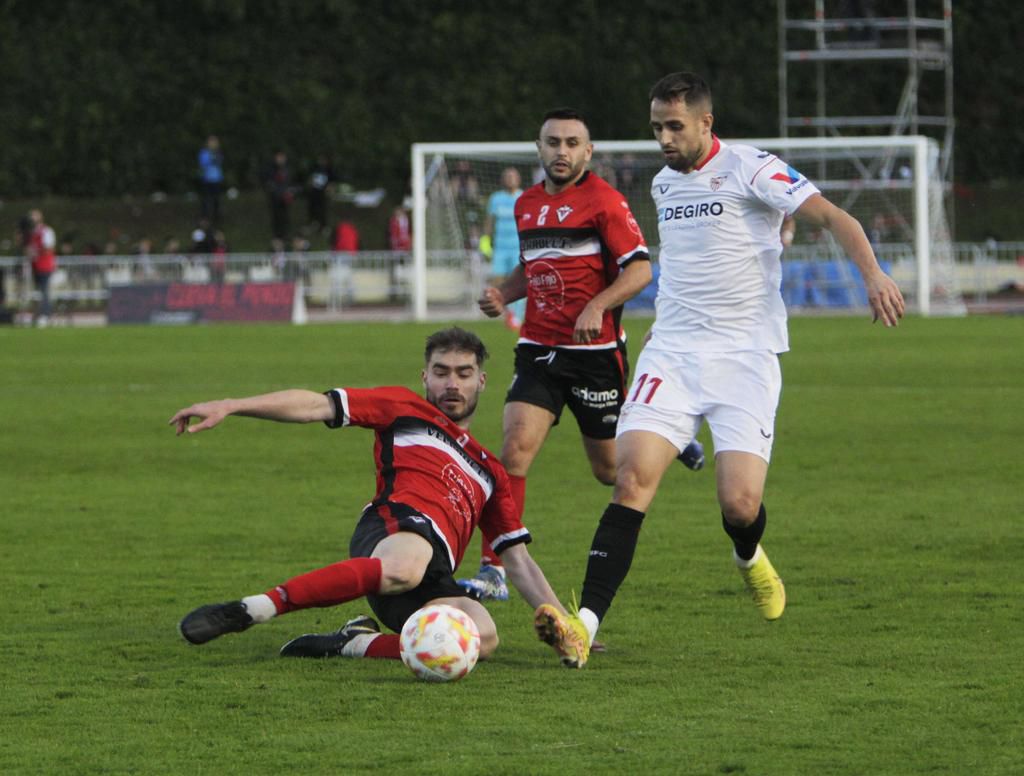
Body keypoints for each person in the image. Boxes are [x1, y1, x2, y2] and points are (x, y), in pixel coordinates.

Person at [535, 72, 906, 668]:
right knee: (631, 480)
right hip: (674, 355)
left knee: (739, 504)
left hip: (745, 359)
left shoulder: (753, 168)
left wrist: (873, 274)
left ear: (706, 123)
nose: (664, 138)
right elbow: (684, 265)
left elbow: (836, 218)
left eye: (675, 126)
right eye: (656, 126)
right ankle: (582, 625)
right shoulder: (662, 185)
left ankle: (747, 556)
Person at [171, 327, 587, 669]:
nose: (452, 383)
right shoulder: (404, 407)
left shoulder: (490, 470)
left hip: (433, 576)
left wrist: (569, 629)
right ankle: (253, 609)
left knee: (480, 634)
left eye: (463, 373)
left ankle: (354, 643)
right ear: (425, 377)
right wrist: (232, 405)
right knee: (407, 565)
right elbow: (316, 405)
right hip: (395, 527)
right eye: (441, 372)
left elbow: (517, 560)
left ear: (481, 380)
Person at [461, 107, 703, 605]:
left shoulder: (604, 202)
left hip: (594, 355)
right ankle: (494, 568)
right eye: (553, 142)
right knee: (514, 452)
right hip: (539, 348)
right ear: (539, 149)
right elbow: (532, 269)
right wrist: (504, 296)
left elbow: (638, 271)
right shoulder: (525, 204)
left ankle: (671, 438)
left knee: (610, 471)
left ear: (587, 152)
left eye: (573, 143)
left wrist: (597, 304)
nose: (562, 151)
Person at [482, 166, 525, 329]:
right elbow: (489, 221)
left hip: (517, 248)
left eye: (513, 176)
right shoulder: (496, 198)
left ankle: (517, 316)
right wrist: (485, 241)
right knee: (498, 281)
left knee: (518, 282)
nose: (510, 179)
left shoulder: (523, 197)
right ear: (502, 180)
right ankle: (509, 312)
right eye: (507, 176)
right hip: (500, 247)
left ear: (518, 179)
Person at [24, 209, 57, 326]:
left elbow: (48, 248)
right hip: (36, 266)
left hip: (45, 266)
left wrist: (36, 251)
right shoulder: (32, 233)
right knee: (39, 292)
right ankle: (39, 314)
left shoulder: (46, 231)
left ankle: (46, 315)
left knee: (44, 291)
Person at [263, 150, 294, 251]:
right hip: (275, 198)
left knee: (285, 217)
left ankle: (284, 236)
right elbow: (270, 183)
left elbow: (288, 182)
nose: (281, 159)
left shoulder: (286, 169)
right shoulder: (271, 169)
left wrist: (288, 193)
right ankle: (277, 236)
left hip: (284, 198)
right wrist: (277, 193)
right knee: (276, 217)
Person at [197, 135, 224, 227]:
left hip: (216, 179)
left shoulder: (218, 152)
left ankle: (216, 217)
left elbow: (220, 162)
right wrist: (212, 158)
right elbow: (203, 163)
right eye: (211, 142)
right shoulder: (204, 153)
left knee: (216, 199)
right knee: (205, 199)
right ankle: (204, 218)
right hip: (207, 179)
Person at [306, 155, 336, 235]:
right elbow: (310, 179)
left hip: (323, 192)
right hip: (314, 192)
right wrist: (310, 185)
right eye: (320, 159)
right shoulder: (314, 168)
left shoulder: (329, 170)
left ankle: (324, 226)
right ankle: (313, 223)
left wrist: (330, 191)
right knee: (312, 208)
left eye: (324, 160)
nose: (322, 161)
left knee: (323, 209)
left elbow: (332, 182)